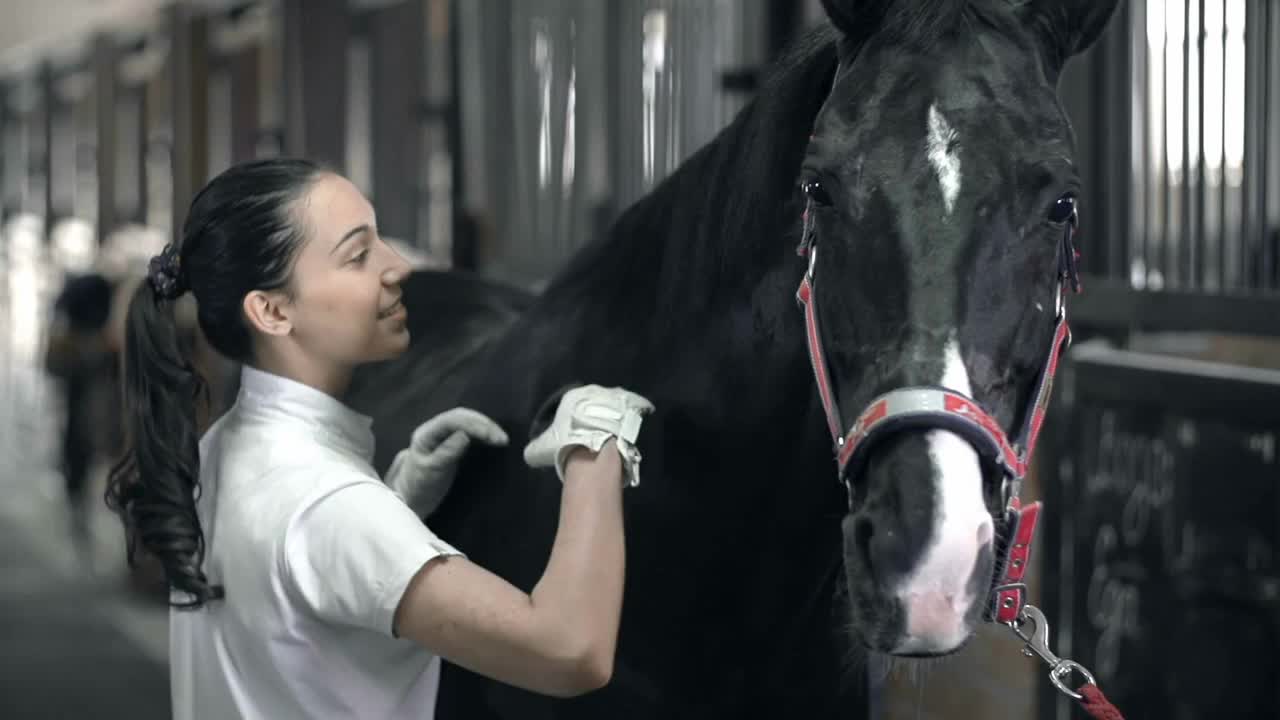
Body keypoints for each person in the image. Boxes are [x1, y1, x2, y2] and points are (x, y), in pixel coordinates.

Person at [104, 157, 654, 719]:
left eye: (381, 240)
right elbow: (569, 651)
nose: (395, 266)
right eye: (358, 255)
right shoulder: (328, 504)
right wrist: (597, 441)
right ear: (270, 310)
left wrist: (395, 507)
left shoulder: (222, 449)